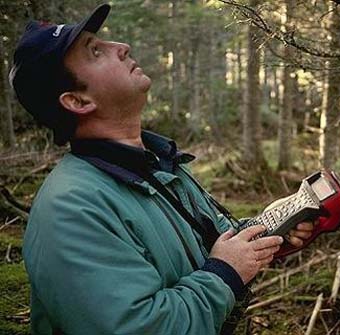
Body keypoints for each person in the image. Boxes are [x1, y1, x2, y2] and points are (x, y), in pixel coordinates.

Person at [10, 4, 314, 335]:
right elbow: (140, 327)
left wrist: (261, 236)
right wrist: (227, 271)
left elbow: (205, 246)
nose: (121, 46)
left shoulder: (156, 165)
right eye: (95, 51)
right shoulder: (71, 210)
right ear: (78, 102)